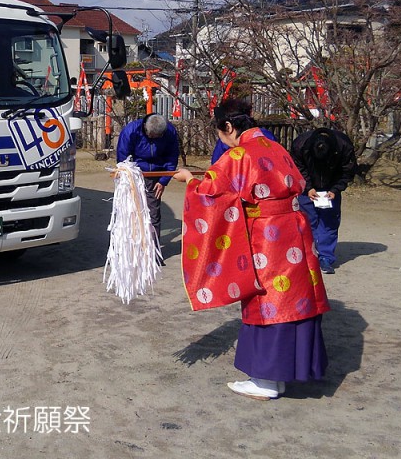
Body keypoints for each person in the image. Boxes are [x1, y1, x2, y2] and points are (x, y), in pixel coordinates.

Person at [172, 99, 329, 400]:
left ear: (228, 127)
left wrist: (190, 180)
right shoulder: (275, 147)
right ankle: (283, 375)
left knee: (267, 300)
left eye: (220, 133)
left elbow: (211, 193)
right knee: (295, 297)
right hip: (294, 229)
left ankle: (266, 380)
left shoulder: (238, 155)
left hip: (267, 237)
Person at [289, 127, 358, 275]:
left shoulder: (343, 145)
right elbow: (297, 168)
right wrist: (308, 188)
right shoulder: (300, 144)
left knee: (329, 222)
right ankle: (309, 256)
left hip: (331, 187)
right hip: (307, 188)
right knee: (307, 222)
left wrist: (335, 189)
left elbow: (348, 170)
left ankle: (326, 257)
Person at [115, 113, 180, 249]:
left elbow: (171, 157)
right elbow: (123, 157)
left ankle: (153, 251)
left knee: (153, 213)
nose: (153, 139)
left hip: (156, 174)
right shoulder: (131, 130)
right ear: (145, 128)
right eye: (151, 136)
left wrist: (163, 180)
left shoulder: (169, 132)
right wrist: (127, 176)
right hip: (135, 174)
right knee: (131, 212)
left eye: (157, 138)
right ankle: (131, 248)